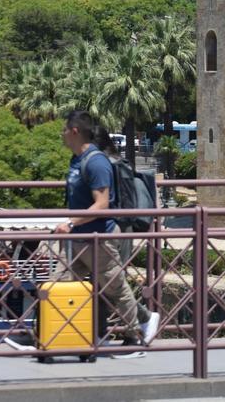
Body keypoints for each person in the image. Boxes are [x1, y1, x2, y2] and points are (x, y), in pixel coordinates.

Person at [55, 110, 159, 353]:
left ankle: (136, 332)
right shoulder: (77, 160)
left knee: (113, 286)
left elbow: (102, 204)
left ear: (75, 132)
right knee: (59, 284)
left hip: (100, 235)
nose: (61, 135)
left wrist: (70, 223)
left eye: (64, 130)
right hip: (80, 236)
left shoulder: (98, 162)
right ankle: (51, 336)